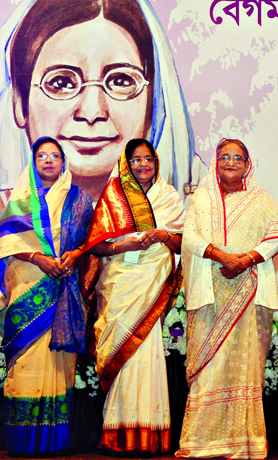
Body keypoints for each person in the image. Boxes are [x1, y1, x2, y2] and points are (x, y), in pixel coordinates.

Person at [0, 0, 202, 241]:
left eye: (121, 80)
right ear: (19, 102)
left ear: (152, 102)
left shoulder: (182, 205)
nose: (92, 112)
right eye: (61, 82)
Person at [0, 137, 94, 456]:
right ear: (33, 161)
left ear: (64, 161)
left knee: (58, 364)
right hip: (27, 289)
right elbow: (1, 244)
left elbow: (89, 242)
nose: (48, 160)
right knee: (26, 363)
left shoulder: (79, 199)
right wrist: (37, 258)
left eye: (54, 155)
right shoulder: (21, 199)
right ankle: (23, 441)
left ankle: (56, 440)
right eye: (42, 155)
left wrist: (73, 255)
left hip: (63, 288)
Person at [178, 139, 278, 459]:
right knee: (208, 367)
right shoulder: (200, 198)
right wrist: (221, 257)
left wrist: (247, 259)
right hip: (210, 293)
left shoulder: (260, 199)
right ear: (216, 162)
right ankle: (203, 443)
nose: (230, 162)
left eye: (237, 158)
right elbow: (190, 237)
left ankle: (245, 443)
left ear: (247, 164)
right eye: (224, 157)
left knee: (244, 368)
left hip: (248, 292)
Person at [81, 138, 185, 454]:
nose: (143, 164)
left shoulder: (168, 196)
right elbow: (96, 246)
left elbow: (183, 244)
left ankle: (152, 433)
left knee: (147, 352)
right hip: (121, 284)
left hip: (152, 285)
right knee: (120, 353)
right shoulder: (113, 196)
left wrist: (164, 235)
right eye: (136, 159)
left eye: (148, 158)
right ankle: (115, 434)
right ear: (126, 164)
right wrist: (124, 246)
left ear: (156, 162)